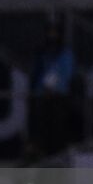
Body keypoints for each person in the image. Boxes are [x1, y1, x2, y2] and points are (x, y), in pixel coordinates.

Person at [30, 22, 77, 157]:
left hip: (58, 96)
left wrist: (52, 87)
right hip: (42, 95)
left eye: (54, 33)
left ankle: (57, 154)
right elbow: (36, 72)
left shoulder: (65, 53)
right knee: (40, 126)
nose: (52, 36)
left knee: (58, 127)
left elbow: (66, 73)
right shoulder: (42, 52)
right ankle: (41, 152)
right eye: (50, 33)